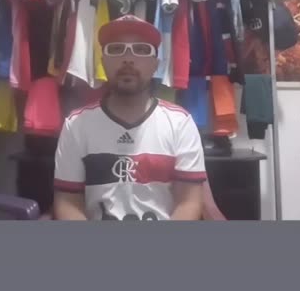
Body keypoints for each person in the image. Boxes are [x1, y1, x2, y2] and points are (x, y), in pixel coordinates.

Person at [53, 15, 207, 220]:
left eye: (141, 50)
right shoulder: (76, 125)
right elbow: (67, 203)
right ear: (103, 61)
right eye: (116, 49)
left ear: (156, 64)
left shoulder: (180, 124)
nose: (128, 58)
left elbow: (189, 203)